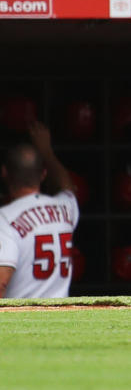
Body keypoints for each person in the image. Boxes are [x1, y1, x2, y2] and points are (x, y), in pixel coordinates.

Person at [0, 120, 78, 299]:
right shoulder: (65, 208)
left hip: (24, 320)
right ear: (43, 174)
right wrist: (47, 151)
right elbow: (68, 187)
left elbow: (1, 282)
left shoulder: (4, 219)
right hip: (61, 315)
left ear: (4, 173)